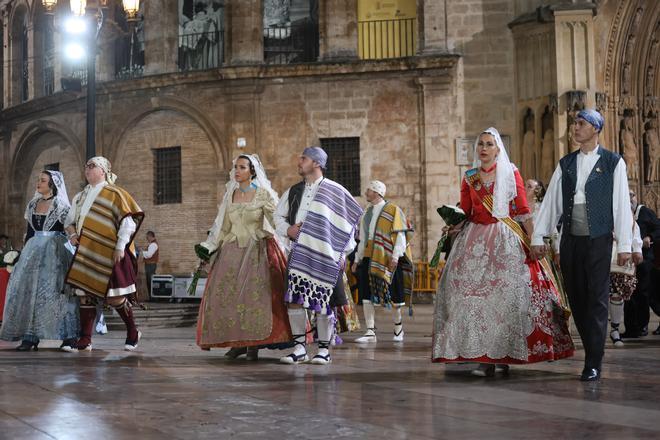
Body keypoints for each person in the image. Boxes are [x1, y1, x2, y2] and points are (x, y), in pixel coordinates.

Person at [432, 127, 574, 377]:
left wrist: (533, 240)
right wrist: (453, 224)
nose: (484, 149)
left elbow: (521, 209)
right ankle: (482, 357)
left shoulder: (511, 173)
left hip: (505, 238)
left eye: (489, 144)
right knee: (466, 294)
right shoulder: (469, 177)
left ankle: (504, 353)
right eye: (481, 144)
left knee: (506, 299)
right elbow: (466, 210)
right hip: (474, 241)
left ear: (498, 149)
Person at [532, 109, 633, 381]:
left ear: (595, 129)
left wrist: (625, 244)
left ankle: (593, 361)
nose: (575, 128)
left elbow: (622, 205)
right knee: (576, 298)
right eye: (575, 124)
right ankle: (592, 351)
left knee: (597, 299)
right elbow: (551, 202)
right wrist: (539, 236)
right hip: (570, 240)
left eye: (581, 124)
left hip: (598, 238)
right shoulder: (565, 164)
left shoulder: (613, 162)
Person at [195, 154, 291, 360]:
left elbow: (276, 222)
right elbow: (222, 228)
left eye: (242, 167)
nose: (237, 171)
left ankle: (253, 345)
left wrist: (291, 237)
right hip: (231, 252)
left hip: (256, 251)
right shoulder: (230, 194)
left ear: (252, 171)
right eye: (235, 167)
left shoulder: (262, 195)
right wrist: (209, 247)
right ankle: (237, 343)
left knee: (252, 299)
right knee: (228, 298)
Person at [274, 147, 362, 365]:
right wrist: (288, 230)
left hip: (326, 256)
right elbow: (277, 216)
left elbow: (348, 225)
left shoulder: (335, 191)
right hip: (298, 253)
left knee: (323, 302)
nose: (299, 161)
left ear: (316, 163)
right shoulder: (293, 192)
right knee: (294, 301)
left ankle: (324, 350)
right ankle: (299, 349)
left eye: (303, 158)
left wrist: (343, 253)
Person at [65, 157, 144, 352]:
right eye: (86, 166)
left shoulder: (115, 193)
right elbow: (69, 221)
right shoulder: (80, 196)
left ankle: (133, 332)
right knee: (85, 295)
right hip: (86, 253)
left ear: (103, 171)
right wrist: (73, 234)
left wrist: (120, 247)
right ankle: (86, 339)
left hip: (111, 251)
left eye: (92, 166)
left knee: (115, 297)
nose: (87, 169)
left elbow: (128, 223)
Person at [0, 171, 79, 351]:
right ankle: (30, 335)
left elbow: (68, 226)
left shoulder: (60, 204)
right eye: (39, 180)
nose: (39, 183)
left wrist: (74, 236)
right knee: (30, 292)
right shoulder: (32, 204)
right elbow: (29, 231)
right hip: (33, 251)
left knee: (58, 292)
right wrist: (21, 255)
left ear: (52, 185)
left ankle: (68, 336)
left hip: (55, 251)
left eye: (43, 181)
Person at [351, 180, 414, 343]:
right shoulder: (366, 212)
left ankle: (398, 328)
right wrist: (357, 260)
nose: (366, 193)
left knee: (394, 294)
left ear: (377, 192)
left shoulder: (393, 210)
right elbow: (363, 238)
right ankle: (370, 331)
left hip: (388, 256)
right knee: (366, 294)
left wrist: (395, 256)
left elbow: (400, 235)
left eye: (369, 190)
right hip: (369, 256)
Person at [621, 190, 660, 338]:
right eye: (627, 196)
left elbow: (658, 228)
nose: (629, 198)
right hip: (627, 260)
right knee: (628, 293)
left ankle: (642, 325)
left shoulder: (644, 212)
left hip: (645, 259)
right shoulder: (623, 214)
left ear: (636, 196)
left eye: (632, 195)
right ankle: (631, 328)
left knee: (642, 293)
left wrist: (649, 237)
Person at [608, 213, 644, 347]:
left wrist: (637, 249)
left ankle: (615, 329)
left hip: (621, 259)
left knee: (617, 295)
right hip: (600, 257)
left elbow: (634, 230)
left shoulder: (626, 212)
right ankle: (594, 331)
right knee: (597, 295)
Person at [142, 231, 159, 298]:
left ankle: (153, 297)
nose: (147, 238)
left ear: (150, 236)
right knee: (150, 281)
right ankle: (152, 296)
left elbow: (149, 255)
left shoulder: (153, 245)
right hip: (150, 265)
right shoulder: (152, 244)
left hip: (150, 265)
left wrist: (142, 252)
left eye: (147, 237)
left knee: (150, 281)